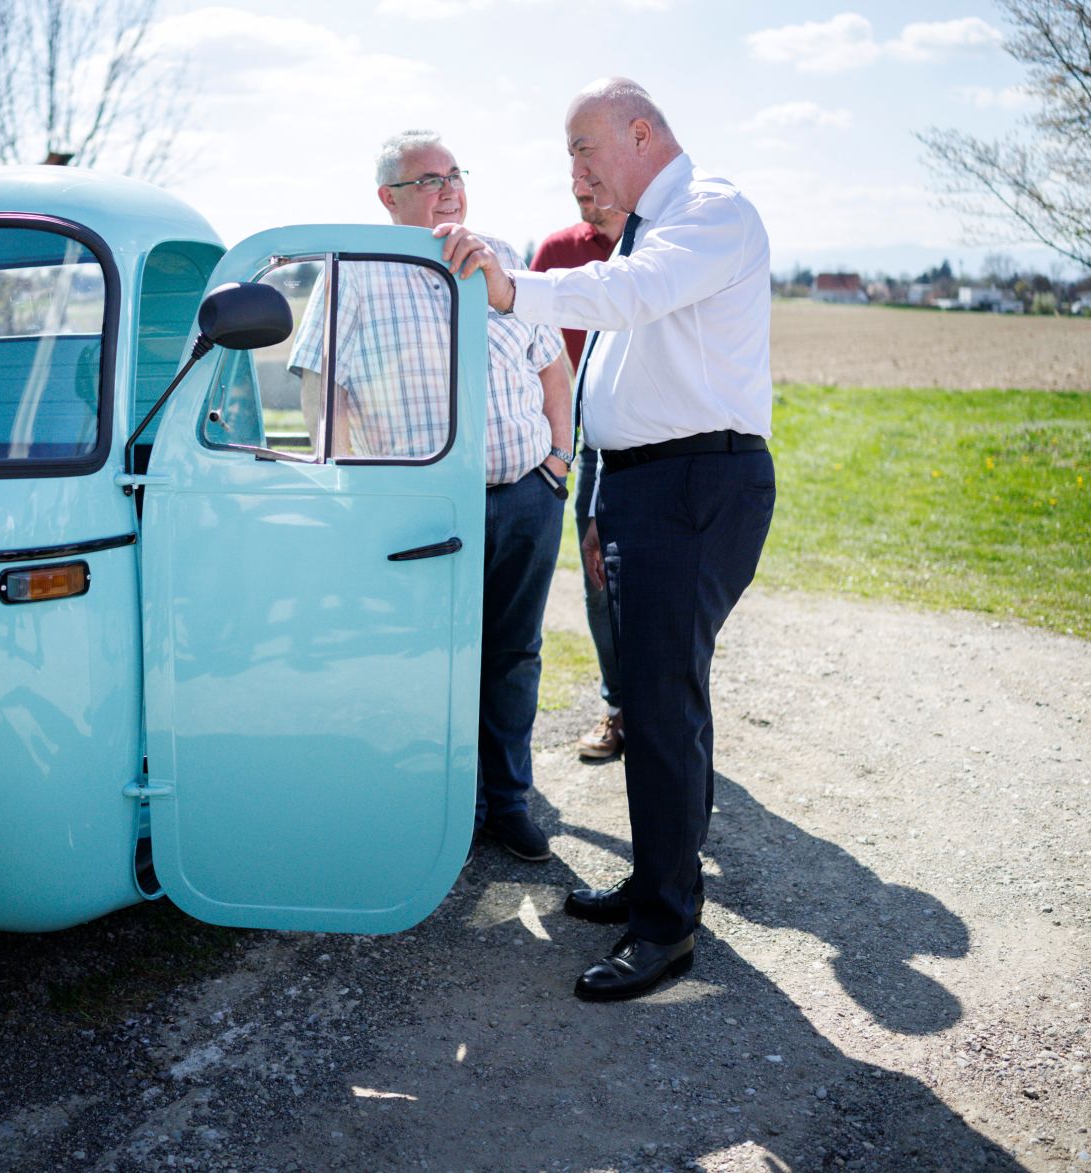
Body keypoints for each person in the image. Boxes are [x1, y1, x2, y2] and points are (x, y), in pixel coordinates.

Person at [438, 78, 776, 1000]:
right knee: (659, 697)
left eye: (583, 149)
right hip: (646, 486)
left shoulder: (709, 212)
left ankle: (665, 928)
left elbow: (631, 295)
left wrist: (512, 286)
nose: (576, 173)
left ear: (639, 134)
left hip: (692, 484)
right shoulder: (653, 227)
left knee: (660, 706)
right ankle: (657, 880)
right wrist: (599, 494)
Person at [289, 129, 572, 862]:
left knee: (513, 656)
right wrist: (355, 491)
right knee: (425, 660)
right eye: (429, 180)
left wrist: (558, 462)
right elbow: (321, 384)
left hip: (526, 495)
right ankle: (438, 810)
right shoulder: (355, 269)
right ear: (388, 198)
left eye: (455, 175)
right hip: (420, 513)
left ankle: (508, 802)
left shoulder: (500, 258)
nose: (450, 189)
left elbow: (552, 368)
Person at [531, 180, 628, 763]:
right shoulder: (557, 252)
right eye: (575, 172)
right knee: (600, 578)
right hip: (594, 439)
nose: (581, 186)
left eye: (593, 171)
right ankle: (618, 706)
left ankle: (667, 709)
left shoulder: (661, 243)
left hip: (669, 441)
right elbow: (528, 344)